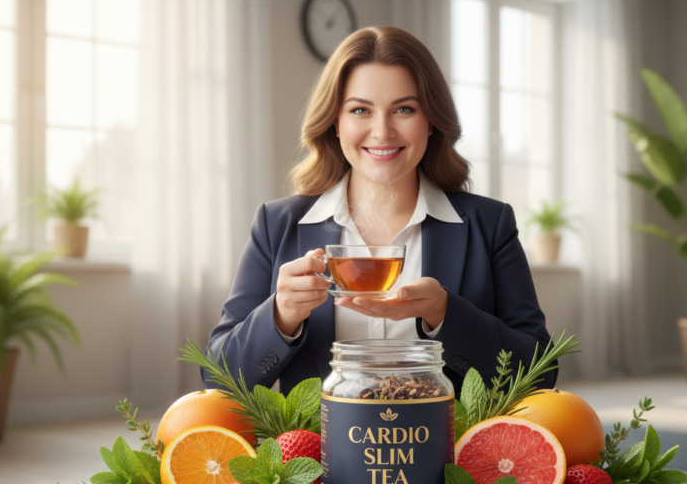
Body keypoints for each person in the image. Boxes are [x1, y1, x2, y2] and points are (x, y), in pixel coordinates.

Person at [204, 26, 552, 395]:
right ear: (335, 123)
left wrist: (446, 315)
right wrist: (280, 316)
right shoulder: (277, 225)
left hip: (445, 449)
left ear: (431, 120)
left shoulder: (489, 224)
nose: (382, 131)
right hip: (320, 451)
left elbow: (541, 373)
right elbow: (217, 377)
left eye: (404, 109)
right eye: (360, 110)